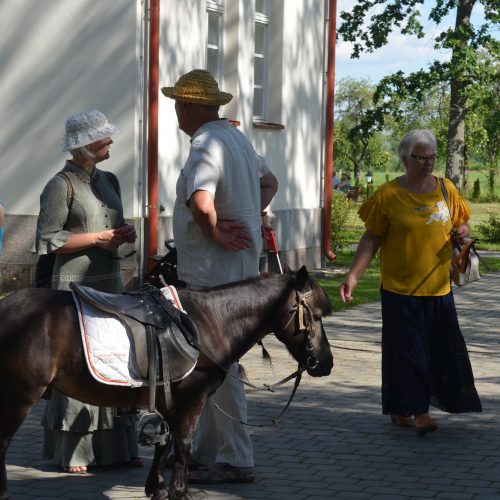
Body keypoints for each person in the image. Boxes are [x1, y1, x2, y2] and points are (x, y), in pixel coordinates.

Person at [161, 69, 278, 483]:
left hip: (213, 278)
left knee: (217, 366)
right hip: (240, 274)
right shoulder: (237, 139)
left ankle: (236, 458)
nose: (175, 110)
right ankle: (207, 450)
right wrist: (250, 214)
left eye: (177, 103)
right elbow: (270, 182)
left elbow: (200, 199)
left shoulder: (206, 143)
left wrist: (213, 228)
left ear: (188, 105)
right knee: (211, 365)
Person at [339, 129, 481, 436]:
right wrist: (353, 275)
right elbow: (371, 238)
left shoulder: (446, 189)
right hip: (400, 291)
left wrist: (463, 236)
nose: (428, 163)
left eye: (432, 157)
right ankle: (420, 412)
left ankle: (401, 408)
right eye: (421, 158)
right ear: (405, 159)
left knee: (437, 351)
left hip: (439, 289)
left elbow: (464, 225)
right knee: (409, 352)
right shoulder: (388, 195)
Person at [35, 109, 141, 473]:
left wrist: (126, 235)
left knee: (112, 358)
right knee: (78, 363)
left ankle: (116, 450)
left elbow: (117, 226)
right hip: (74, 288)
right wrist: (97, 238)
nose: (111, 140)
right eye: (103, 137)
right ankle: (74, 452)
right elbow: (48, 240)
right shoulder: (59, 185)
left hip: (111, 285)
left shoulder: (110, 179)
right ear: (84, 145)